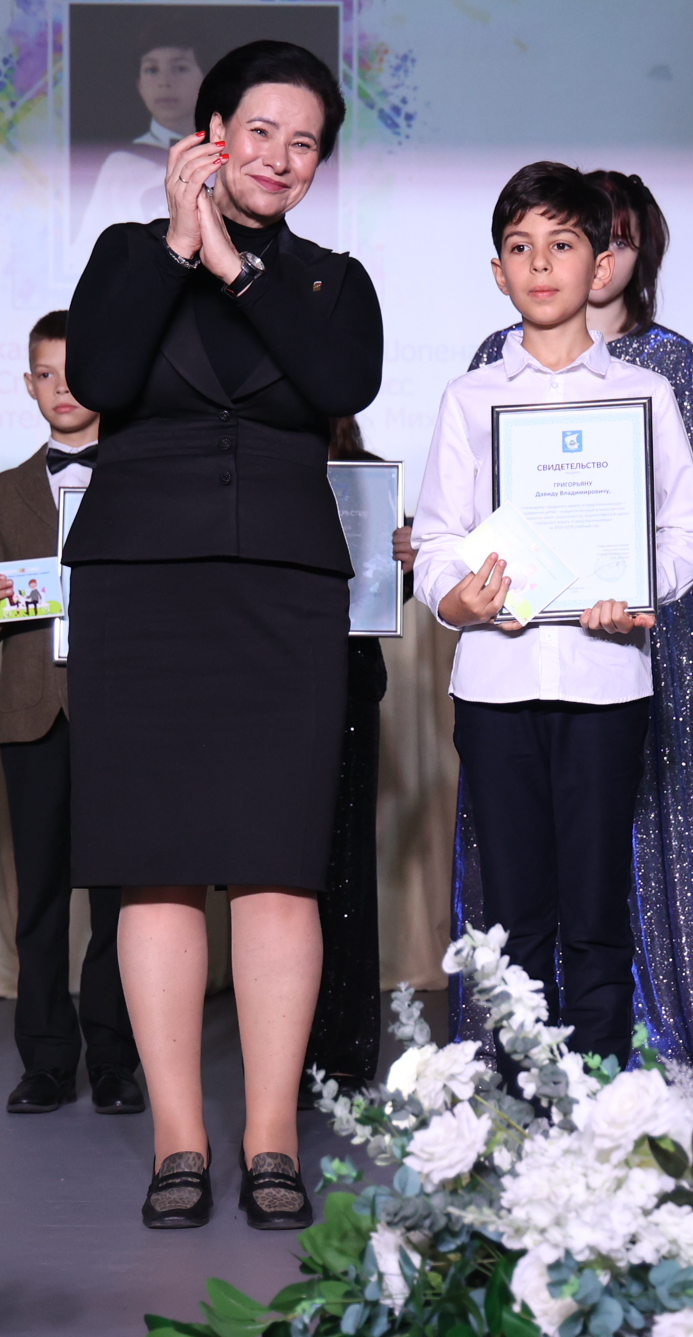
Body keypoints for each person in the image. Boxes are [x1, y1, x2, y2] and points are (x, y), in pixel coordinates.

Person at [64, 39, 381, 1230]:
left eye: (305, 143)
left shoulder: (330, 282)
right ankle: (178, 1139)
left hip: (283, 595)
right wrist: (176, 245)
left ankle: (271, 1136)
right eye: (261, 133)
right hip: (141, 588)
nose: (282, 158)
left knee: (276, 865)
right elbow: (100, 376)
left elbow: (337, 387)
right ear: (207, 135)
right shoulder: (124, 254)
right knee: (152, 864)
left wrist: (235, 266)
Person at [414, 162, 693, 1070]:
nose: (540, 264)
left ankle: (596, 1101)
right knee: (513, 910)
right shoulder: (470, 398)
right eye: (520, 247)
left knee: (595, 907)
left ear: (602, 265)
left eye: (563, 244)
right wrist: (456, 598)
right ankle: (520, 1099)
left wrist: (635, 585)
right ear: (497, 272)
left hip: (605, 681)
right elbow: (437, 540)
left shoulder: (645, 393)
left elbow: (690, 535)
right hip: (495, 687)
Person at [0, 310, 141, 1118]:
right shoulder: (3, 490)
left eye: (77, 372)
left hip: (122, 714)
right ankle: (44, 1060)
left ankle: (114, 1058)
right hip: (33, 713)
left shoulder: (142, 476)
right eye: (47, 374)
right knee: (37, 898)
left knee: (119, 900)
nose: (62, 387)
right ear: (29, 384)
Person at [305, 415, 398, 1096]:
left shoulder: (368, 477)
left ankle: (342, 1047)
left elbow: (385, 593)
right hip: (263, 687)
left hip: (347, 689)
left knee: (346, 874)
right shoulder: (254, 459)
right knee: (279, 880)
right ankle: (287, 1052)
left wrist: (410, 560)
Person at [71, 43, 206, 271]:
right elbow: (86, 252)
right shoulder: (122, 164)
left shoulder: (230, 158)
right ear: (139, 85)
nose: (165, 82)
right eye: (152, 70)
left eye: (180, 68)